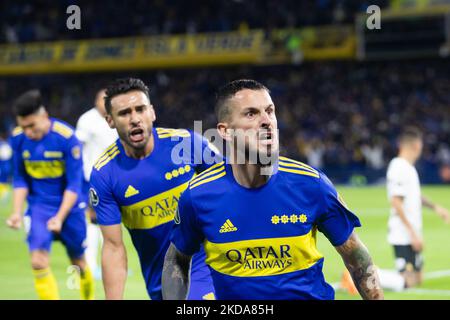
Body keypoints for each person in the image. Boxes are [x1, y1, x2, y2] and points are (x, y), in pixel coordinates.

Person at [162, 79, 384, 300]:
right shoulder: (198, 196)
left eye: (270, 111)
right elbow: (176, 260)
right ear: (225, 131)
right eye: (251, 114)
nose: (267, 121)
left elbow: (357, 257)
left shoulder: (311, 184)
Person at [89, 78, 220, 300]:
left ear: (152, 112)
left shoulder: (186, 143)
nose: (134, 119)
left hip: (204, 263)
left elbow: (233, 182)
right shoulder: (104, 174)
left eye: (140, 109)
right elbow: (112, 247)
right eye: (124, 113)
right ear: (110, 120)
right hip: (160, 281)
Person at [6, 89, 94, 300]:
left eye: (31, 126)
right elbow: (19, 179)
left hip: (70, 207)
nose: (27, 131)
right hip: (39, 206)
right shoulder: (18, 139)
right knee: (38, 261)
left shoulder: (67, 139)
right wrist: (16, 212)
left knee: (78, 263)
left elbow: (74, 185)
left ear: (43, 116)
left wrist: (60, 217)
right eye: (22, 126)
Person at [379, 127, 449, 291]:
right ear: (417, 145)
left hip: (410, 231)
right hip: (402, 234)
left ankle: (378, 275)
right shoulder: (398, 167)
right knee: (407, 284)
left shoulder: (409, 168)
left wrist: (436, 207)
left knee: (418, 279)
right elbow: (396, 202)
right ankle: (367, 273)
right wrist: (412, 234)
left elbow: (415, 195)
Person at [76, 88, 118, 278]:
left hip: (114, 178)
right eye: (103, 100)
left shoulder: (115, 118)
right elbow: (78, 149)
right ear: (96, 101)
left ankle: (106, 264)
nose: (106, 103)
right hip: (91, 177)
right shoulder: (87, 120)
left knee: (109, 220)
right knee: (93, 220)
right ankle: (90, 264)